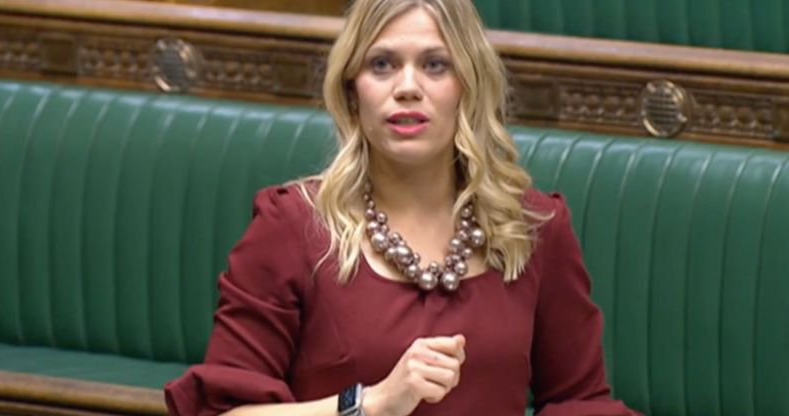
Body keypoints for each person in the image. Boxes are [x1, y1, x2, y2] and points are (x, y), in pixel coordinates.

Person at [165, 0, 641, 415]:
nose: (408, 87)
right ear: (352, 92)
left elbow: (580, 403)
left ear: (468, 86)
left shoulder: (534, 228)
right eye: (382, 64)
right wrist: (370, 404)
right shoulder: (291, 227)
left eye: (435, 64)